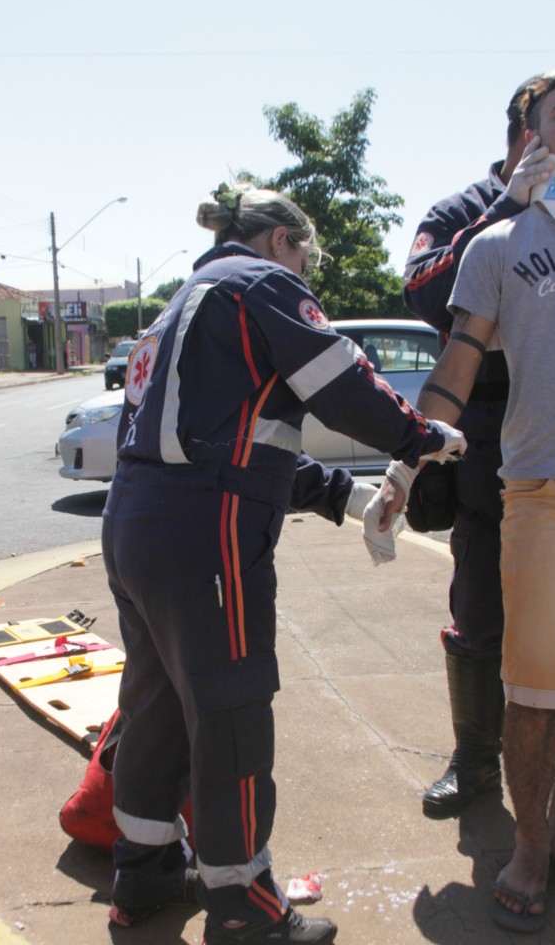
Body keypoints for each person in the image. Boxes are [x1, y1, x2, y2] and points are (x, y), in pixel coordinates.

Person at [101, 182, 465, 945]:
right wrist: (420, 438)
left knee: (158, 704)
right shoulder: (260, 285)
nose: (309, 273)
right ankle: (241, 907)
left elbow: (236, 442)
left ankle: (145, 871)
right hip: (207, 534)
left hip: (137, 522)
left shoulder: (181, 304)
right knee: (230, 709)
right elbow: (343, 385)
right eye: (307, 253)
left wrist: (342, 494)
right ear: (279, 241)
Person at [378, 70, 555, 933]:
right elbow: (441, 326)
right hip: (516, 465)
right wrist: (404, 467)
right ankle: (515, 825)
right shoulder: (484, 225)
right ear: (524, 130)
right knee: (509, 657)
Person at [403, 73, 555, 818]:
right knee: (481, 614)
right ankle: (473, 767)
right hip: (488, 447)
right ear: (524, 136)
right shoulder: (463, 210)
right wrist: (508, 207)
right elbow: (427, 293)